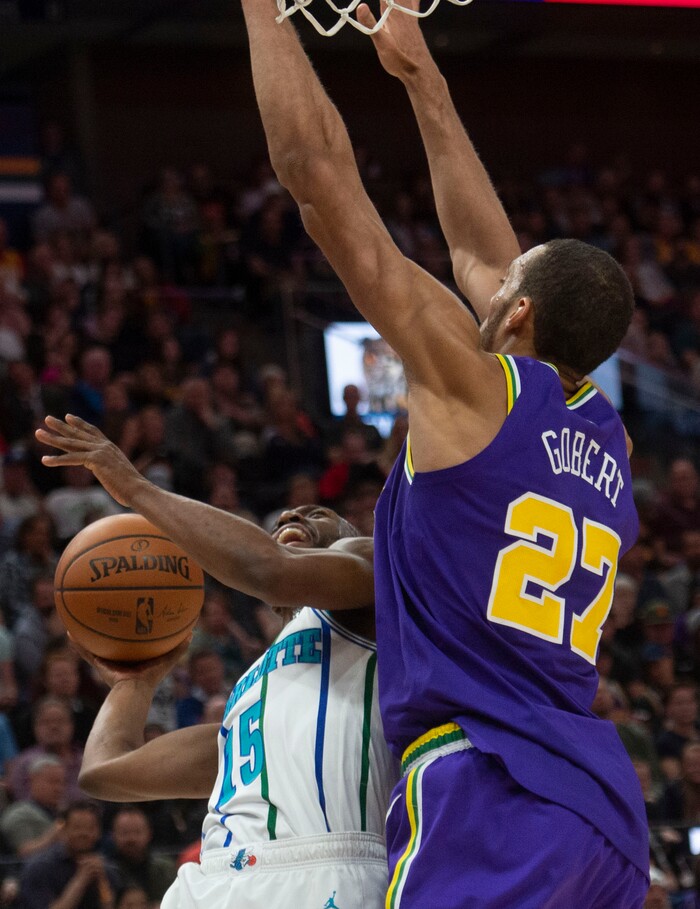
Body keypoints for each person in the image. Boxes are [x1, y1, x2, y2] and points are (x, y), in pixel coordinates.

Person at [236, 3, 648, 907]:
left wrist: (261, 9)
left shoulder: (474, 389)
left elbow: (317, 180)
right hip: (601, 813)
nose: (492, 283)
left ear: (519, 314)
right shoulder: (601, 431)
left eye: (508, 287)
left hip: (487, 788)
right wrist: (422, 78)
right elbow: (480, 253)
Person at [35, 414, 396, 909]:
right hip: (214, 879)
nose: (291, 517)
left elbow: (267, 569)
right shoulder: (253, 692)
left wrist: (135, 488)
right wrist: (137, 679)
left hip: (320, 873)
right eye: (285, 518)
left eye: (315, 514)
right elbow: (106, 770)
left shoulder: (372, 580)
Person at [16, 799, 121, 909]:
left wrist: (102, 881)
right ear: (63, 830)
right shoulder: (39, 868)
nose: (84, 834)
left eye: (90, 828)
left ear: (99, 832)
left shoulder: (107, 870)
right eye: (77, 827)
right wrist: (80, 881)